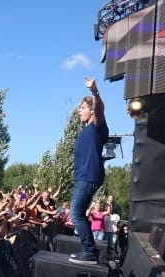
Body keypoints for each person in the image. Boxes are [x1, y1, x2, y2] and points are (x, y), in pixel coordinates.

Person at [69, 77, 109, 265]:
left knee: (75, 212)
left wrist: (94, 92)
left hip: (90, 175)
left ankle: (90, 251)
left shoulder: (97, 127)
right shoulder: (85, 131)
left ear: (91, 111)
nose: (79, 111)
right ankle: (88, 250)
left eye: (82, 108)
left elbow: (100, 109)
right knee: (78, 212)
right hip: (83, 176)